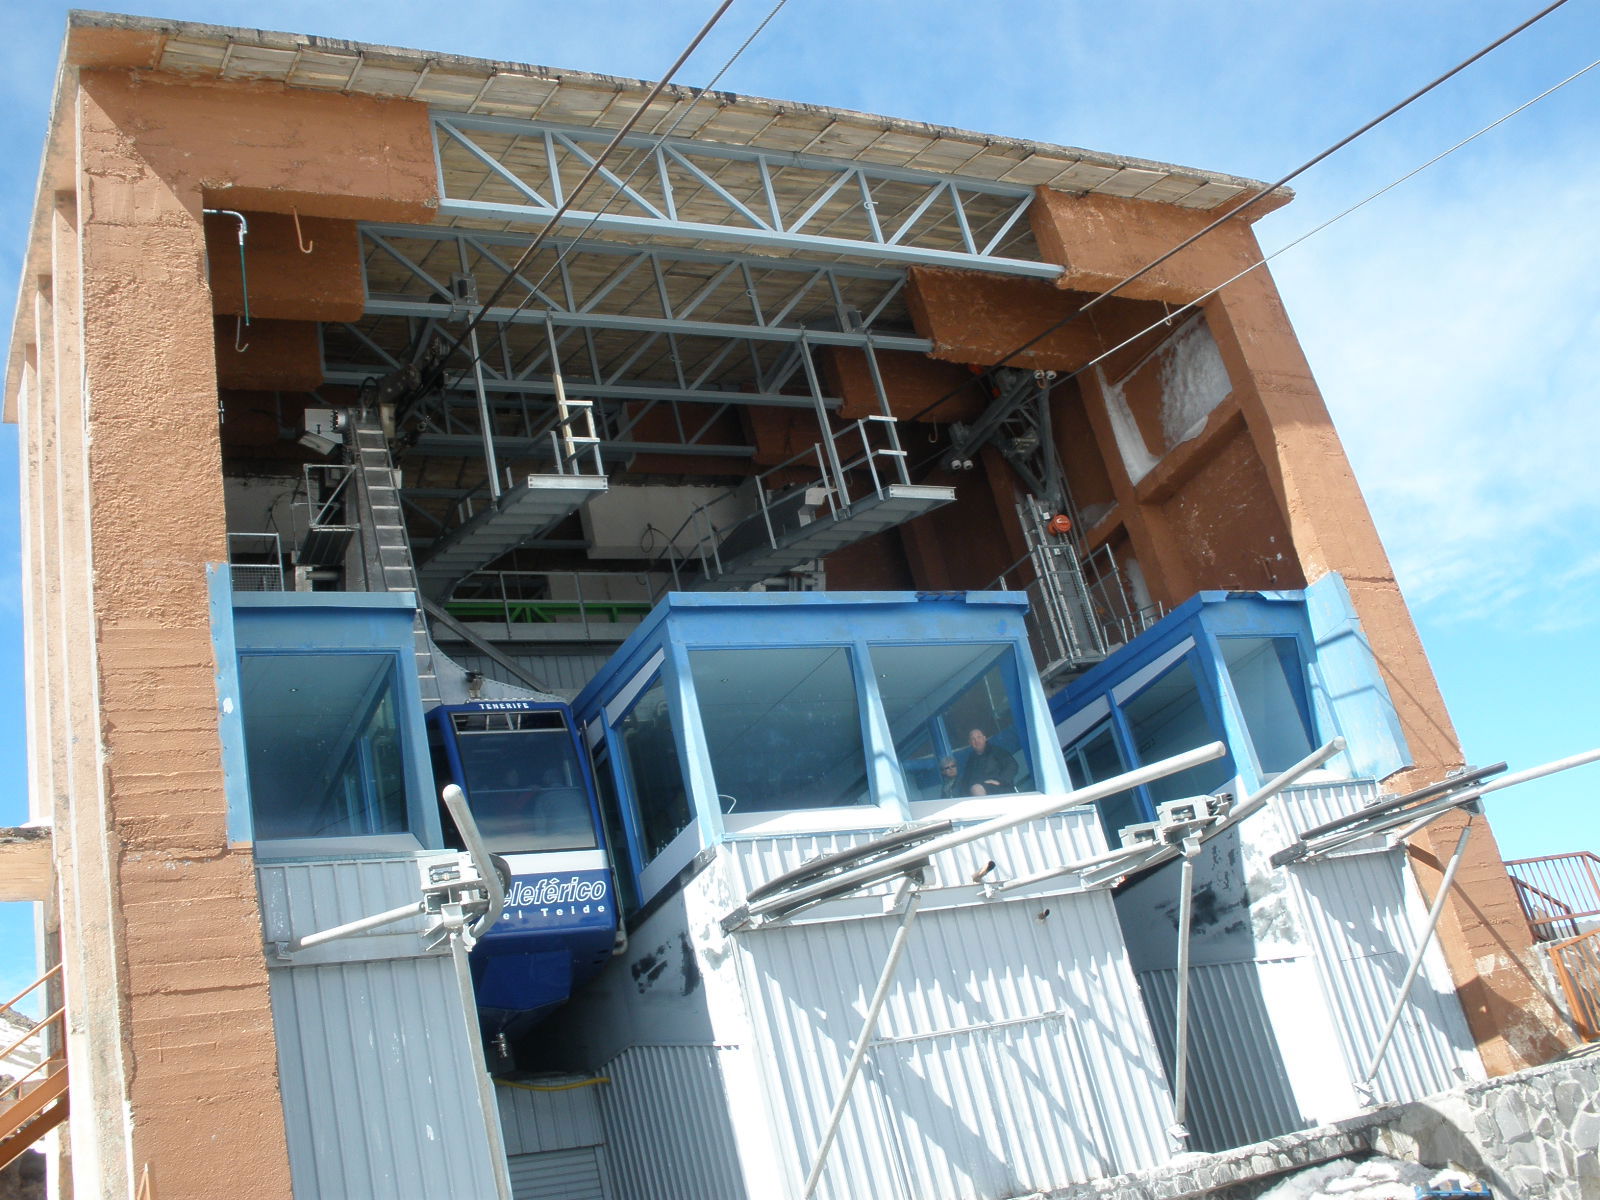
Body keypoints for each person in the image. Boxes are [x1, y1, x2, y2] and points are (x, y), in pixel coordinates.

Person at [959, 728, 1018, 796]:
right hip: (977, 795)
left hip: (1000, 790)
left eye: (979, 737)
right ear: (970, 743)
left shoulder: (996, 751)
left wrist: (1000, 781)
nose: (976, 741)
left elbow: (1012, 765)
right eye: (973, 739)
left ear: (984, 738)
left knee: (976, 789)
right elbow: (966, 781)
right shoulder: (971, 760)